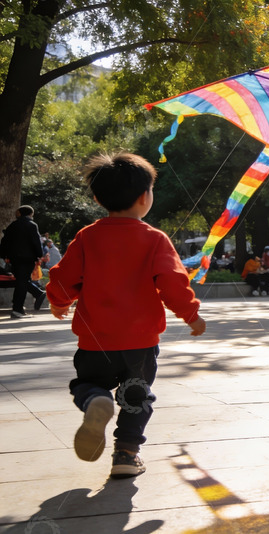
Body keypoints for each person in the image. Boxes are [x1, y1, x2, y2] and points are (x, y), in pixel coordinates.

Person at [46, 152, 206, 478]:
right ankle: (126, 453)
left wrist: (58, 302)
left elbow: (63, 277)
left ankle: (94, 401)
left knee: (88, 383)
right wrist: (190, 314)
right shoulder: (154, 239)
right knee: (136, 396)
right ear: (145, 196)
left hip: (95, 342)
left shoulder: (87, 237)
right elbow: (173, 283)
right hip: (140, 344)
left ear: (97, 197)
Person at [0, 205, 46, 318]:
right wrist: (39, 255)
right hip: (28, 258)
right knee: (22, 281)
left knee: (21, 281)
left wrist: (4, 255)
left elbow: (5, 242)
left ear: (20, 213)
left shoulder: (12, 225)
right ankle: (19, 307)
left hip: (15, 259)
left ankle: (19, 307)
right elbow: (36, 241)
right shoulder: (32, 225)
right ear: (31, 214)